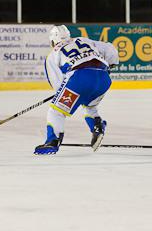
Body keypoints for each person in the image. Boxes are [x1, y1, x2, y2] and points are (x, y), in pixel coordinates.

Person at [34, 25, 119, 155]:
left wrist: (61, 94)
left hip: (79, 79)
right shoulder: (83, 40)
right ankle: (97, 127)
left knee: (56, 112)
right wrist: (111, 64)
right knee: (89, 106)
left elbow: (56, 83)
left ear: (52, 40)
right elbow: (110, 49)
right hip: (103, 78)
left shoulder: (53, 53)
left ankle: (52, 142)